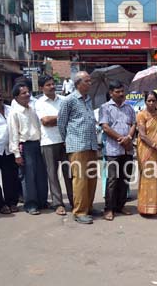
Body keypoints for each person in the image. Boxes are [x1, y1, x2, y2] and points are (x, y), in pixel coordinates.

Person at [58, 71, 99, 224]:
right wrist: (68, 140)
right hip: (77, 145)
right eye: (87, 81)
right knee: (80, 179)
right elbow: (61, 124)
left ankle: (88, 207)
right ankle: (80, 212)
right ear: (78, 83)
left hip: (91, 144)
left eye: (90, 81)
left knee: (91, 178)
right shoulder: (69, 100)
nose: (90, 84)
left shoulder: (88, 100)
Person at [8, 83, 48, 215]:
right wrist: (16, 154)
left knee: (41, 175)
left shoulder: (32, 109)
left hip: (38, 144)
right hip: (25, 146)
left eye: (27, 92)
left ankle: (42, 201)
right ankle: (30, 204)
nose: (27, 95)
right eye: (23, 93)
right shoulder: (14, 113)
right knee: (28, 177)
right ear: (16, 97)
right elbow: (13, 134)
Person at [35, 75, 72, 216]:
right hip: (48, 142)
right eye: (48, 85)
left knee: (69, 173)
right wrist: (62, 117)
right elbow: (45, 121)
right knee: (52, 175)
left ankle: (74, 202)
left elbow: (70, 118)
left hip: (65, 141)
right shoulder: (39, 103)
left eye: (52, 84)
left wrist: (55, 118)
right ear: (41, 88)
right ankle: (58, 204)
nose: (51, 87)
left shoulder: (63, 100)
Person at [99, 80, 135, 221]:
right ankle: (109, 208)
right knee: (112, 180)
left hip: (127, 150)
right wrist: (122, 139)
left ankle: (120, 205)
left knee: (125, 179)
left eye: (122, 91)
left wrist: (129, 137)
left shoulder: (129, 108)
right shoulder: (105, 108)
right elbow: (105, 127)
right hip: (113, 150)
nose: (121, 94)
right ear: (111, 93)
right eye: (118, 92)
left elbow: (133, 124)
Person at [136, 91, 157, 215]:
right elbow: (143, 135)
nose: (151, 103)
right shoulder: (141, 115)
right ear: (145, 102)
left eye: (153, 100)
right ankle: (145, 208)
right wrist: (156, 147)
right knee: (147, 177)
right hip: (146, 150)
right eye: (148, 100)